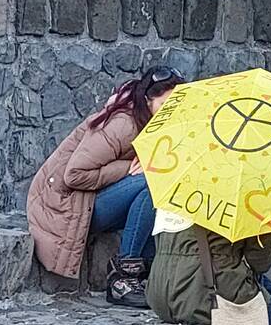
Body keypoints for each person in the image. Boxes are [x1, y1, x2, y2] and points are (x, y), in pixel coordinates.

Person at [27, 66, 185, 307]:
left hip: (93, 199)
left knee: (164, 182)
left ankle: (156, 271)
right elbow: (74, 175)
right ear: (147, 99)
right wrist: (127, 167)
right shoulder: (124, 123)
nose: (170, 112)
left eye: (176, 107)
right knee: (151, 182)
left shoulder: (155, 125)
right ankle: (122, 278)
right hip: (68, 205)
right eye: (165, 105)